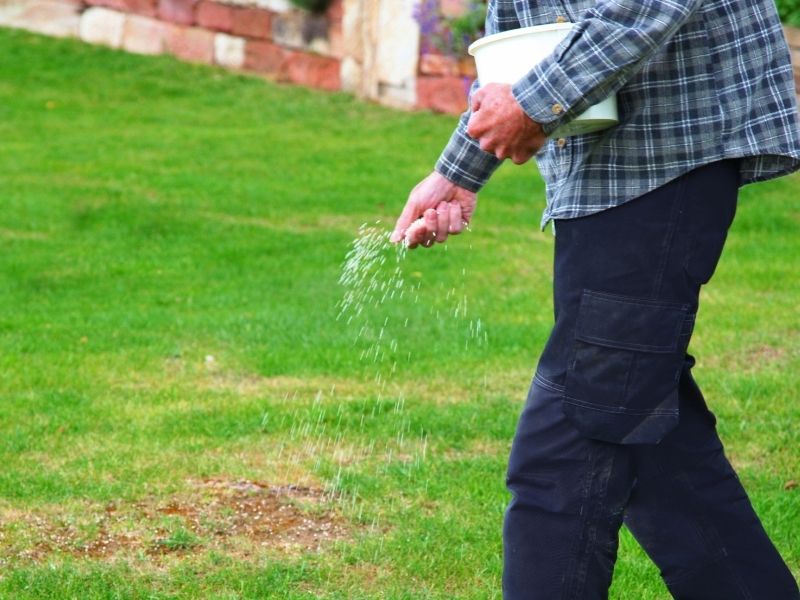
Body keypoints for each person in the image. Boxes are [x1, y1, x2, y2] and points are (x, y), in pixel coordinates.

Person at [390, 1, 800, 598]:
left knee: (565, 450)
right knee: (646, 429)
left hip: (664, 156)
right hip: (600, 173)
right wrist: (460, 169)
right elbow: (518, 34)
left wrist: (533, 105)